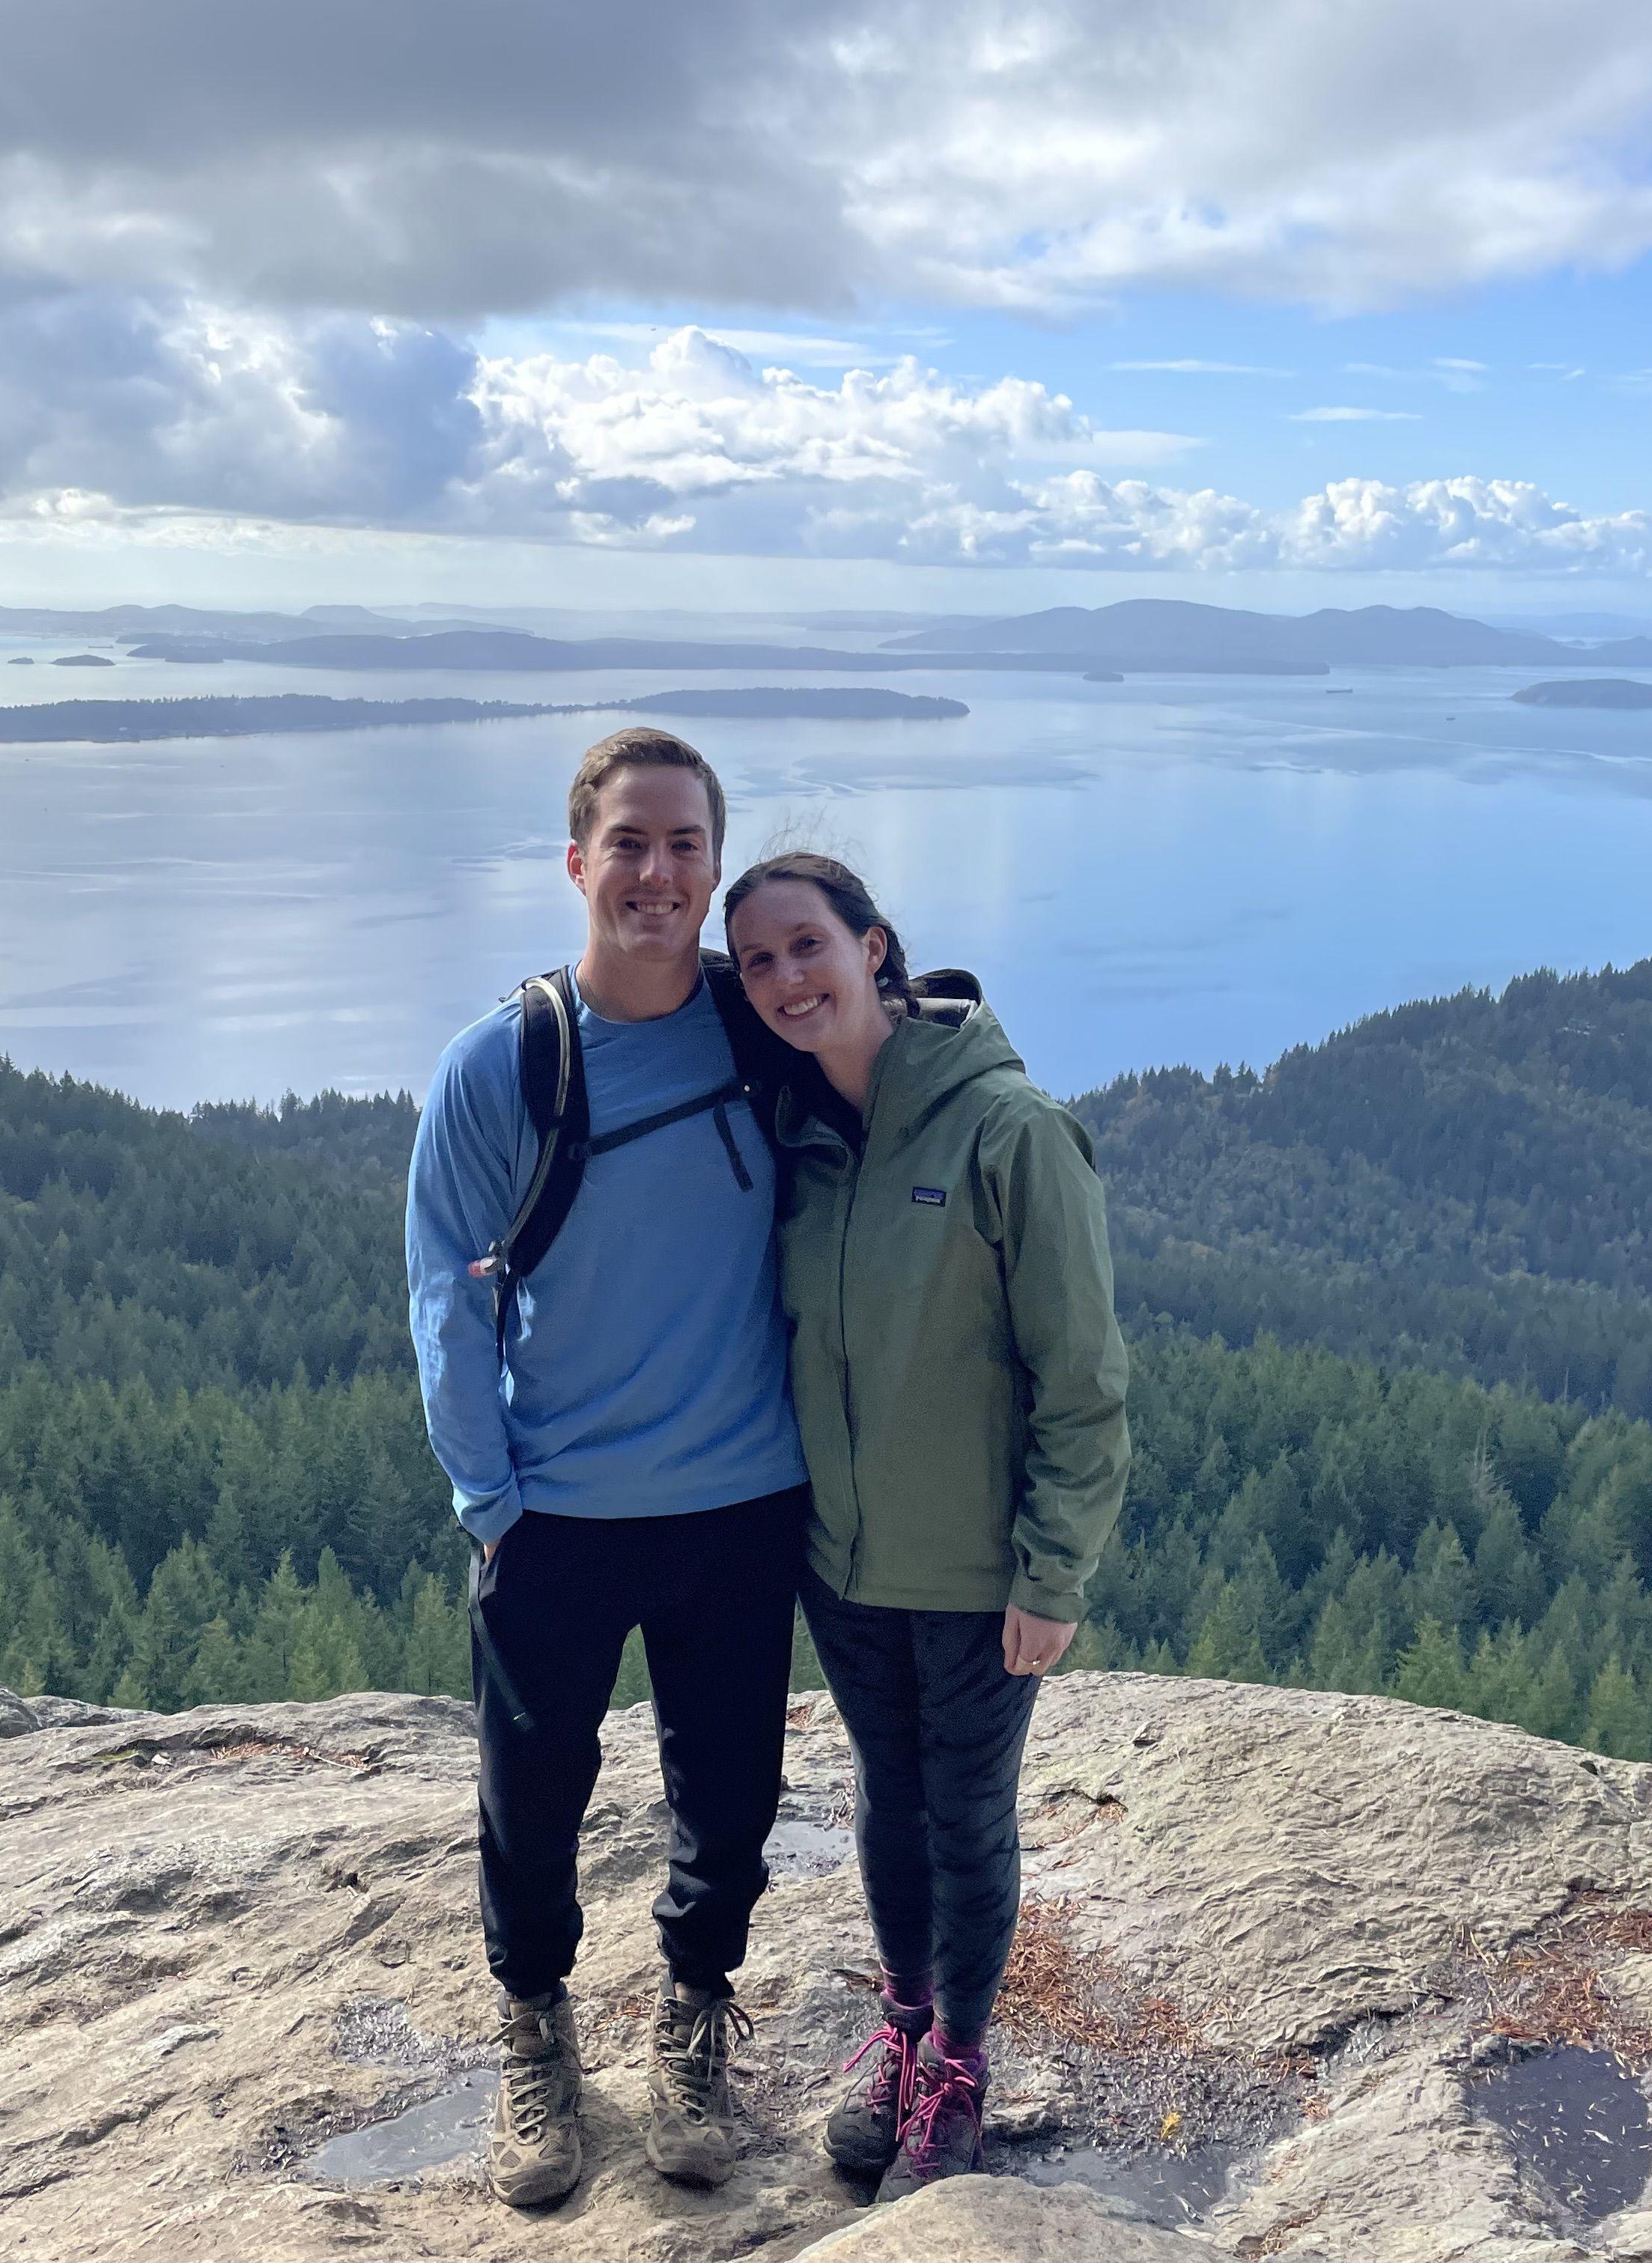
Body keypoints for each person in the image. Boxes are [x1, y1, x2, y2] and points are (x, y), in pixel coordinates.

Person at [406, 729, 813, 2211]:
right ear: (576, 861)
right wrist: (491, 1499)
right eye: (628, 843)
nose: (657, 872)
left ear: (714, 867)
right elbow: (445, 1293)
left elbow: (912, 1065)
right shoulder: (506, 1062)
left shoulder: (762, 1021)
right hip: (560, 1513)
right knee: (536, 1789)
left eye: (684, 845)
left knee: (733, 1790)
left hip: (742, 1498)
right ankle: (536, 2032)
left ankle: (691, 2026)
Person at [722, 849, 1130, 2206]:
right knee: (885, 1803)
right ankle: (899, 2031)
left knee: (966, 1811)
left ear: (876, 948)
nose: (786, 978)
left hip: (971, 1573)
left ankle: (960, 2053)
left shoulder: (1010, 1132)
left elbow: (1082, 1380)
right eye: (759, 959)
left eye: (807, 946)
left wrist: (1051, 1571)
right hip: (841, 1563)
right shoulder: (800, 1140)